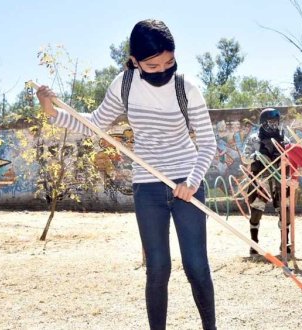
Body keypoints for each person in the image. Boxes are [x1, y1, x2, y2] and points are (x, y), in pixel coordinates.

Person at [36, 19, 217, 330]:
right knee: (158, 268)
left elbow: (208, 142)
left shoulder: (186, 88)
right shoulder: (125, 85)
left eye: (169, 62)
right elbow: (93, 124)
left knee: (196, 266)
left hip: (186, 180)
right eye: (153, 64)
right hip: (147, 186)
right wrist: (53, 112)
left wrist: (192, 180)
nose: (162, 69)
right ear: (135, 61)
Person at [241, 108, 290, 256]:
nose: (274, 124)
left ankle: (285, 243)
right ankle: (254, 244)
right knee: (256, 209)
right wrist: (256, 157)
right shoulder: (254, 138)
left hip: (279, 178)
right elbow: (245, 157)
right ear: (263, 122)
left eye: (276, 121)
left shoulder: (284, 138)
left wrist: (285, 157)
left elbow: (291, 156)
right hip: (260, 177)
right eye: (271, 121)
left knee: (284, 209)